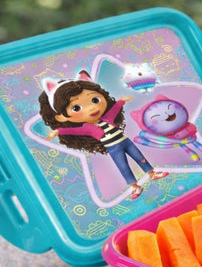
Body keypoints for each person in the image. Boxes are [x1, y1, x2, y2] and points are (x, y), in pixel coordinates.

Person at [39, 71, 168, 199]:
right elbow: (74, 131)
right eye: (76, 108)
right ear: (61, 117)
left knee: (139, 157)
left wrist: (122, 101)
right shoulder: (88, 128)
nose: (91, 108)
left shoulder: (108, 118)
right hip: (113, 148)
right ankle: (135, 186)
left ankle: (152, 173)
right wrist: (59, 131)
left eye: (95, 100)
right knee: (123, 167)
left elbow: (114, 109)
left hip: (126, 141)